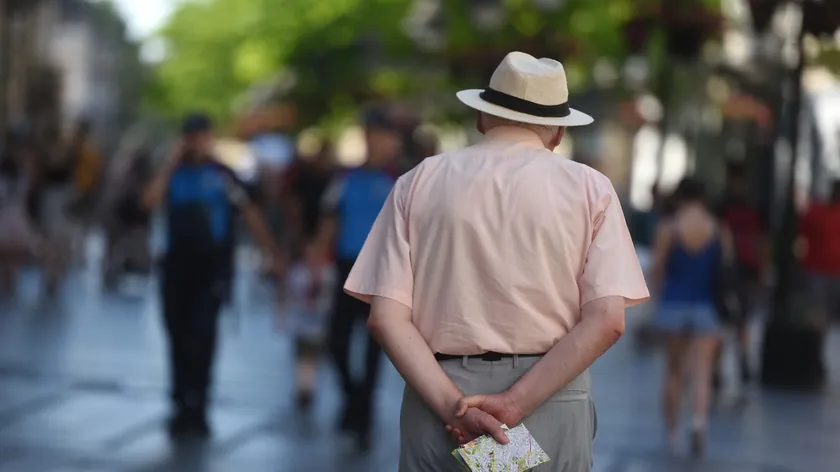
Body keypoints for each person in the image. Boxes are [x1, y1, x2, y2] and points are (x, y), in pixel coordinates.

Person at [342, 52, 649, 471]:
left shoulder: (418, 182)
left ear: (482, 118)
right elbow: (607, 320)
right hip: (547, 401)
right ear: (558, 132)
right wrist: (510, 406)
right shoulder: (589, 189)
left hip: (441, 401)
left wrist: (458, 411)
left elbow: (385, 319)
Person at [141, 113, 283, 439]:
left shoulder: (222, 175)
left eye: (202, 136)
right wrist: (168, 164)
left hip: (212, 269)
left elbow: (251, 214)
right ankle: (179, 402)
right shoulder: (173, 173)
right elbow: (147, 202)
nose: (197, 143)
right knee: (176, 334)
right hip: (176, 267)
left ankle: (199, 405)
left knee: (202, 334)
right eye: (191, 137)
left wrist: (272, 254)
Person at [314, 107, 401, 451]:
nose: (372, 140)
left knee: (372, 351)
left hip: (383, 275)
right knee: (335, 343)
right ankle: (353, 399)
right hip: (347, 270)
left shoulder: (401, 181)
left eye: (378, 134)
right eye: (368, 133)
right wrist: (315, 262)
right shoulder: (344, 179)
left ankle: (361, 417)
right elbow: (328, 221)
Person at [650, 178, 733, 457]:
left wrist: (653, 303)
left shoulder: (669, 227)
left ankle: (671, 432)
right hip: (706, 307)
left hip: (673, 305)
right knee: (702, 371)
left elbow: (658, 269)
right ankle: (698, 424)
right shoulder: (718, 229)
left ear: (680, 197)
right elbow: (725, 270)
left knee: (673, 371)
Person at [716, 163, 766, 384]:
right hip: (748, 267)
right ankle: (743, 358)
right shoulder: (754, 204)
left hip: (728, 268)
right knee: (742, 318)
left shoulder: (722, 204)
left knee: (721, 318)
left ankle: (717, 368)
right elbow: (761, 239)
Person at [279, 242, 336, 410]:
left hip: (317, 328)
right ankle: (303, 389)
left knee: (310, 360)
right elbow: (288, 296)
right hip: (301, 326)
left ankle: (306, 389)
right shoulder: (299, 273)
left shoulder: (327, 273)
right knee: (302, 359)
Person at [799, 180, 840, 322]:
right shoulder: (815, 212)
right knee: (816, 312)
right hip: (816, 270)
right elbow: (801, 233)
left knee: (832, 312)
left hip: (835, 272)